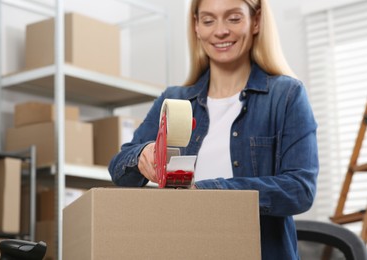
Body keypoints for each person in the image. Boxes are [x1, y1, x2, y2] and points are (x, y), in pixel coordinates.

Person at [109, 0, 319, 259]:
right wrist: (141, 156)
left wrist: (209, 192)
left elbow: (300, 189)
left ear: (256, 21)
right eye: (208, 20)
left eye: (233, 18)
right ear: (196, 26)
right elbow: (119, 169)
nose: (220, 31)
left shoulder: (286, 95)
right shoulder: (175, 99)